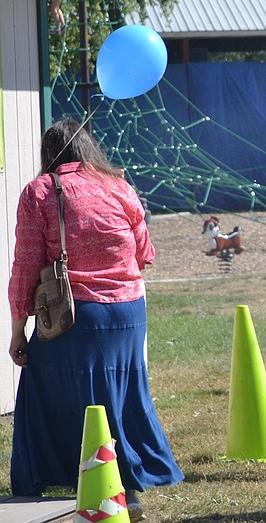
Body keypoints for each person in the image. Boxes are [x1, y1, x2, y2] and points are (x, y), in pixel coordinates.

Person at [8, 118, 183, 520]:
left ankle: (61, 475)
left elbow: (25, 267)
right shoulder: (118, 186)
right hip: (128, 310)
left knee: (45, 386)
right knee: (118, 393)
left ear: (49, 154)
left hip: (76, 312)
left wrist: (19, 330)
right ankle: (129, 481)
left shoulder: (40, 191)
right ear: (88, 149)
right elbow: (145, 253)